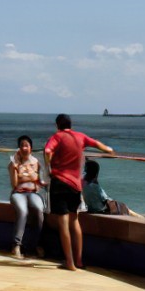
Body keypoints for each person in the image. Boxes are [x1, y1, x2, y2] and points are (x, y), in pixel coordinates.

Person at [43, 113, 113, 271]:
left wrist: (49, 167)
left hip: (60, 183)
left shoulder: (57, 137)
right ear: (71, 124)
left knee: (63, 224)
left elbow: (47, 151)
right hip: (75, 185)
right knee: (75, 222)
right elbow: (100, 146)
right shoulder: (80, 136)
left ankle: (69, 262)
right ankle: (79, 261)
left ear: (57, 125)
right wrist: (110, 150)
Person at [5, 135, 45, 258]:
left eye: (26, 145)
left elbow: (40, 182)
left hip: (33, 192)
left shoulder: (36, 162)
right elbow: (15, 183)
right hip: (18, 193)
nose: (24, 148)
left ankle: (36, 244)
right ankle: (16, 245)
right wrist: (27, 175)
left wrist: (28, 178)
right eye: (21, 145)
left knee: (39, 210)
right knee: (22, 211)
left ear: (31, 148)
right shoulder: (13, 164)